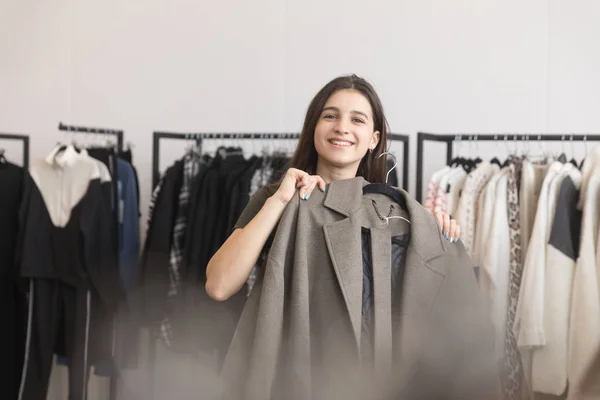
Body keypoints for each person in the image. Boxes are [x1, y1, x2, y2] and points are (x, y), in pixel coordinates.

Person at [205, 74, 461, 301]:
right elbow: (219, 286)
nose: (342, 127)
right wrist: (280, 201)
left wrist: (431, 234)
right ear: (313, 128)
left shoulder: (387, 214)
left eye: (357, 120)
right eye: (330, 116)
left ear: (374, 139)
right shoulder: (275, 198)